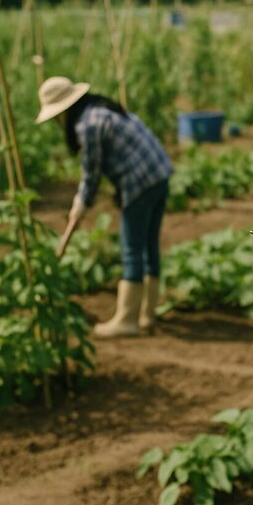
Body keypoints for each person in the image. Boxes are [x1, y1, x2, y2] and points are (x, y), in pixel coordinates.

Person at [36, 76, 172, 339]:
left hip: (139, 182)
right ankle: (147, 314)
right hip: (159, 173)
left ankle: (127, 320)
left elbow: (91, 176)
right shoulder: (100, 108)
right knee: (149, 245)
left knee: (132, 247)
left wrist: (78, 207)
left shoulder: (87, 125)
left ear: (63, 111)